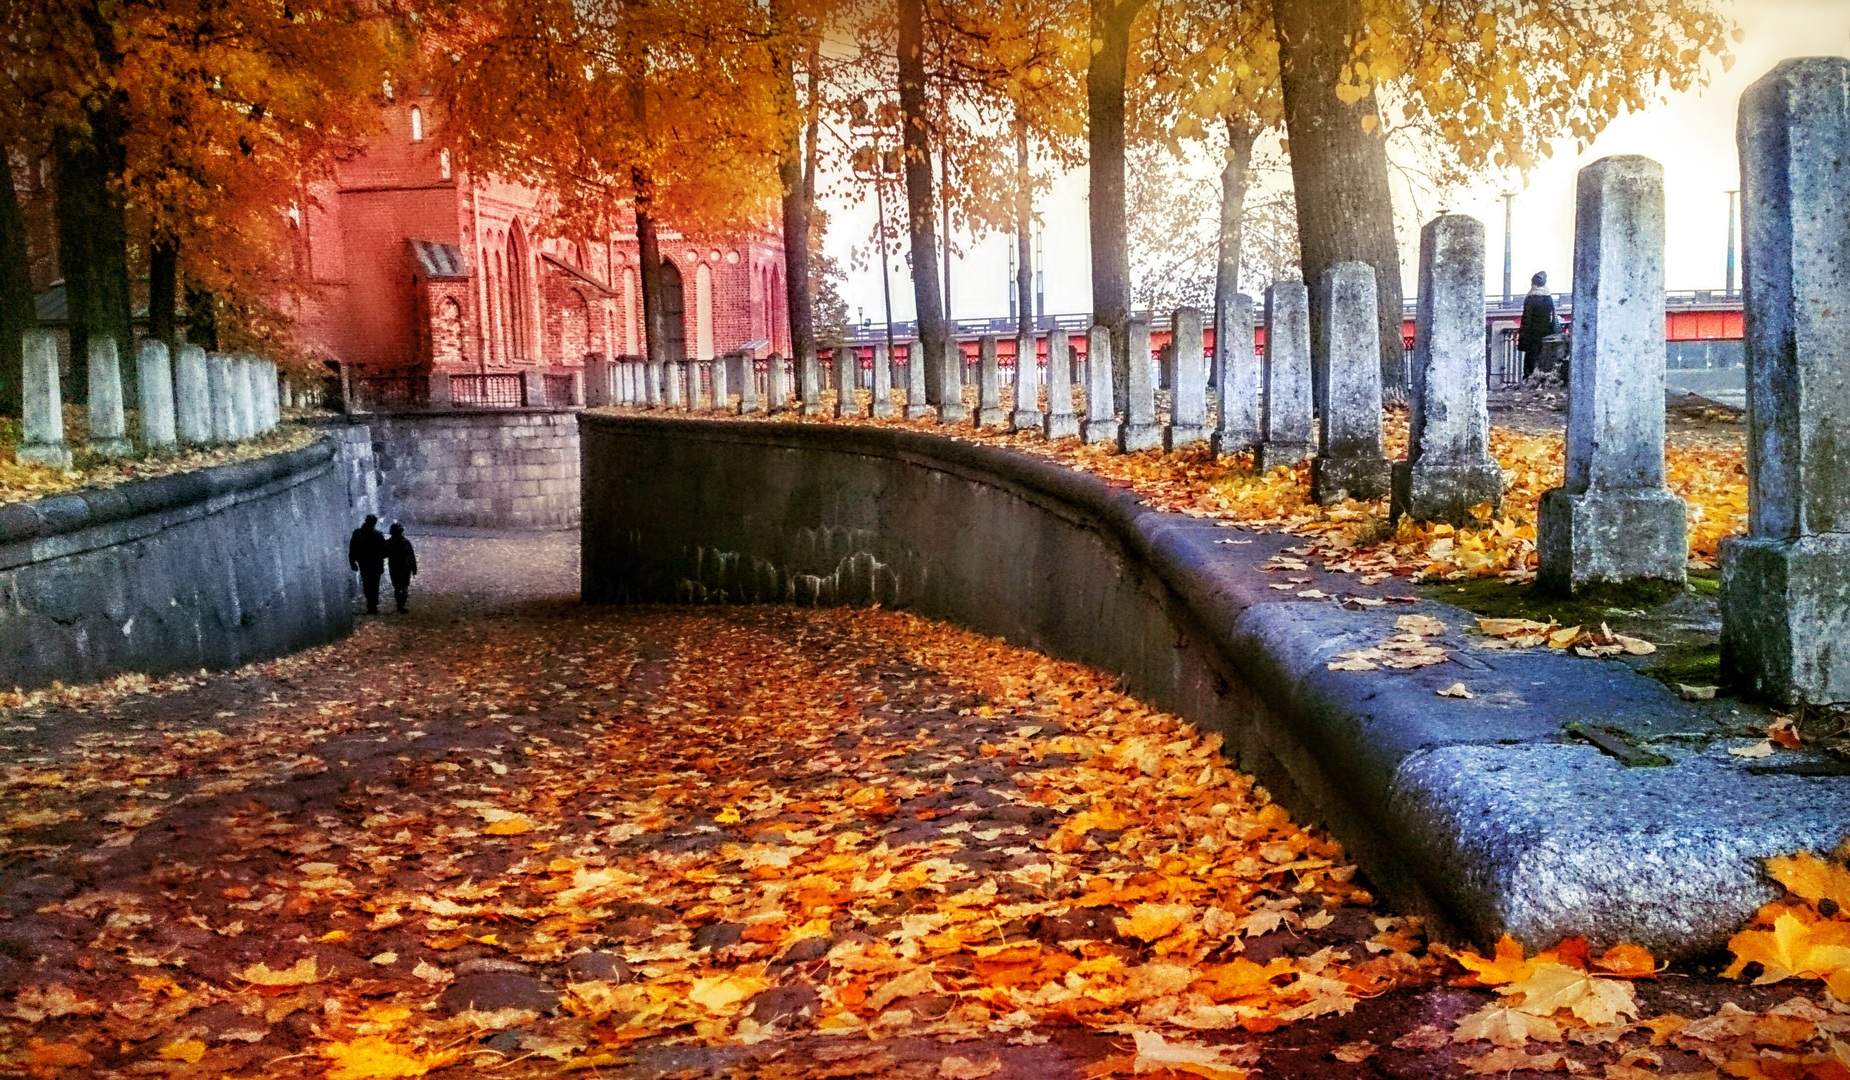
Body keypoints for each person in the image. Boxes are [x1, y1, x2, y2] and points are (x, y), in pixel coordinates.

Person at [1517, 271, 1560, 379]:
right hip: (1546, 333)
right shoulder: (1548, 297)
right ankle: (1541, 377)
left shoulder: (1531, 298)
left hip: (1532, 334)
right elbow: (1552, 316)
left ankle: (1529, 377)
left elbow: (1526, 318)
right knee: (1543, 357)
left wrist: (1523, 335)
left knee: (1530, 357)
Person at [348, 514, 387, 614]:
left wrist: (352, 562)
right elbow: (384, 551)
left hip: (364, 563)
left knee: (367, 583)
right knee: (374, 585)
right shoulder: (378, 534)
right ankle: (373, 605)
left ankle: (371, 604)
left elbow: (352, 548)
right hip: (375, 564)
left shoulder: (357, 533)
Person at [384, 522, 418, 614]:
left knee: (396, 587)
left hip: (394, 566)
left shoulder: (388, 542)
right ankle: (402, 605)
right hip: (405, 567)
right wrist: (414, 569)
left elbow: (384, 554)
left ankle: (399, 604)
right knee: (404, 587)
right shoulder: (406, 542)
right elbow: (411, 556)